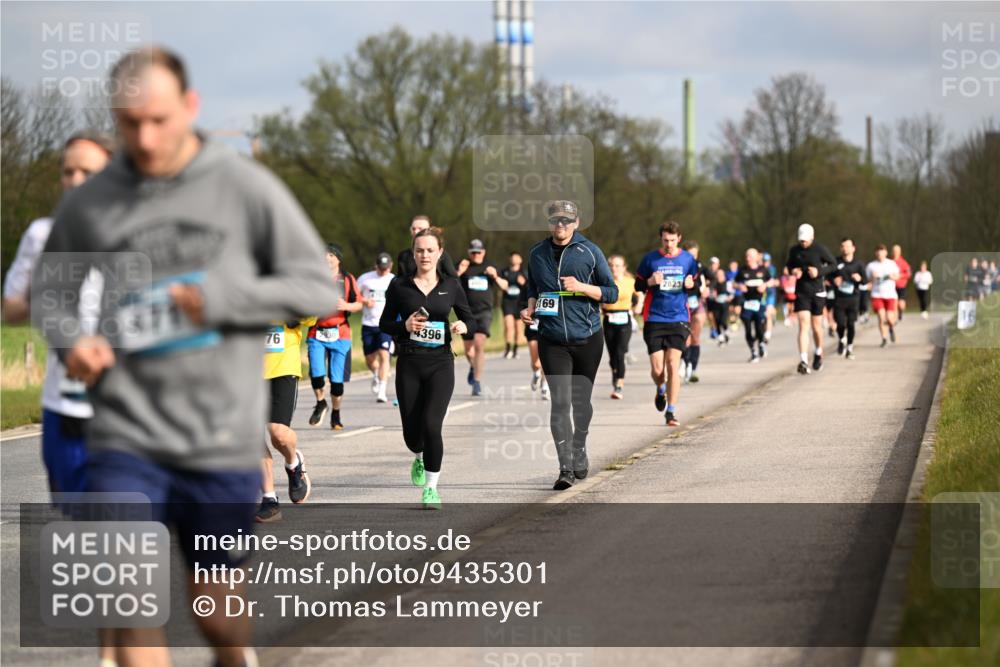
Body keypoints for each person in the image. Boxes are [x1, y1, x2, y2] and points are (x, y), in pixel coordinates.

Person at [30, 46, 338, 667]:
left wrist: (221, 296)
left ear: (189, 108)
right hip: (125, 431)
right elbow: (53, 291)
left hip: (217, 434)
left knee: (216, 612)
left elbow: (316, 288)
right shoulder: (93, 201)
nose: (144, 137)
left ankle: (235, 655)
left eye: (159, 120)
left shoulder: (243, 187)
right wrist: (72, 339)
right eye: (130, 123)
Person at [2, 130, 115, 667]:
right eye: (67, 172)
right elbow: (11, 309)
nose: (74, 181)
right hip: (61, 409)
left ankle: (116, 653)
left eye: (87, 173)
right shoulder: (42, 233)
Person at [521, 201, 617, 490]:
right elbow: (533, 289)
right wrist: (529, 309)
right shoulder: (536, 253)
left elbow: (611, 292)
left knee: (580, 402)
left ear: (576, 223)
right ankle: (565, 468)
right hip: (551, 339)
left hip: (587, 337)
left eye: (566, 220)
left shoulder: (590, 251)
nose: (560, 225)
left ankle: (580, 445)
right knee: (560, 402)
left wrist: (582, 287)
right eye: (555, 220)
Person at [379, 227, 474, 509]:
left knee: (433, 425)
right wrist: (404, 326)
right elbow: (384, 323)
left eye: (430, 250)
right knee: (412, 433)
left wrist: (463, 325)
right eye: (420, 250)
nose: (425, 255)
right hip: (409, 362)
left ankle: (431, 489)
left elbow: (471, 319)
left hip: (440, 363)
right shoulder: (399, 286)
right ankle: (418, 456)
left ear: (440, 253)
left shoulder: (452, 285)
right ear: (413, 253)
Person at [634, 221, 699, 427]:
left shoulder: (688, 259)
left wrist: (691, 285)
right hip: (654, 318)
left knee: (673, 364)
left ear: (679, 238)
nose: (669, 244)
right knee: (657, 370)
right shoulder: (650, 259)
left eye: (672, 240)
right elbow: (638, 284)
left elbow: (695, 285)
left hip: (678, 317)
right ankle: (660, 388)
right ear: (660, 239)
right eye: (665, 240)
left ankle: (671, 412)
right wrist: (650, 282)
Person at [256, 315, 315, 522]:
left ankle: (293, 462)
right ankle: (269, 500)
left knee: (278, 433)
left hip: (282, 366)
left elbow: (311, 314)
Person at [306, 244, 362, 430]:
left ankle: (336, 414)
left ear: (338, 258)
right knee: (316, 375)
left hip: (340, 333)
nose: (327, 258)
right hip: (317, 332)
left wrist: (346, 306)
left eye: (330, 255)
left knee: (336, 382)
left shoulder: (347, 279)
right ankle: (321, 402)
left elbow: (359, 304)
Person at [457, 239, 507, 396]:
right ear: (469, 253)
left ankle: (477, 382)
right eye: (473, 252)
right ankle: (473, 366)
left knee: (479, 345)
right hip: (466, 313)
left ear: (483, 252)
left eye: (478, 252)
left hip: (484, 312)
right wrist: (459, 272)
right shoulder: (463, 266)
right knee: (468, 350)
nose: (476, 255)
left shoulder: (489, 267)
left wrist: (495, 276)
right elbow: (448, 283)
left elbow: (505, 286)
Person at [786, 223, 836, 374]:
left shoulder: (820, 249)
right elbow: (789, 266)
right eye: (801, 240)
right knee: (803, 325)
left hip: (818, 291)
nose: (803, 243)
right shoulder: (794, 251)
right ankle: (803, 360)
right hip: (801, 292)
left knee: (816, 326)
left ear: (812, 237)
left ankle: (819, 352)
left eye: (806, 240)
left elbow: (834, 265)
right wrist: (794, 271)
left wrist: (819, 271)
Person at [357, 252, 396, 403]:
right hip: (368, 323)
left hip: (385, 323)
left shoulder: (394, 279)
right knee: (370, 359)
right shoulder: (365, 279)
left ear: (391, 266)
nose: (383, 271)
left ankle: (382, 391)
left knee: (384, 355)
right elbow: (354, 295)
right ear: (376, 266)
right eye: (380, 268)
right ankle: (376, 375)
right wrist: (365, 301)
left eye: (386, 268)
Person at [602, 254, 639, 398]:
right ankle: (615, 374)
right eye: (611, 265)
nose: (614, 268)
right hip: (609, 319)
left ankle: (619, 385)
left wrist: (639, 305)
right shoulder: (605, 281)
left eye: (617, 265)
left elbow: (640, 293)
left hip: (625, 318)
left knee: (620, 352)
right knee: (612, 356)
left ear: (624, 268)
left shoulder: (630, 282)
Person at [734, 248, 771, 362]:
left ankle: (761, 344)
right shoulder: (742, 270)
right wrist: (739, 286)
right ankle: (753, 352)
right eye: (746, 256)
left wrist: (765, 285)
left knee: (759, 328)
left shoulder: (763, 270)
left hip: (759, 303)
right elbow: (734, 283)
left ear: (756, 257)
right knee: (748, 329)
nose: (747, 258)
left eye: (750, 256)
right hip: (747, 304)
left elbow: (773, 281)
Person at [831, 238, 866, 359]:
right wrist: (833, 280)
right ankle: (842, 339)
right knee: (840, 324)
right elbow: (828, 276)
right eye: (843, 246)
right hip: (839, 298)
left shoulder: (859, 264)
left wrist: (859, 278)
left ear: (853, 248)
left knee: (851, 324)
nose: (845, 248)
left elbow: (865, 281)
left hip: (853, 298)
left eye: (847, 246)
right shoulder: (835, 262)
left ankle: (850, 348)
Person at [396, 214, 458, 279]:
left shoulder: (441, 255)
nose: (415, 231)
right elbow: (400, 281)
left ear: (429, 229)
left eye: (420, 228)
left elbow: (454, 280)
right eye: (413, 229)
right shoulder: (403, 256)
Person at [518, 279, 550, 400]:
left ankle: (545, 386)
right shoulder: (529, 285)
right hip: (533, 326)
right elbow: (520, 303)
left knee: (547, 360)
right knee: (536, 362)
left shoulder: (551, 283)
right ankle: (536, 373)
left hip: (548, 327)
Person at [681, 241, 708, 381]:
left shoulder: (700, 266)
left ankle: (693, 369)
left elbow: (713, 277)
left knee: (695, 337)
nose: (693, 257)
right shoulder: (678, 265)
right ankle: (686, 364)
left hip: (696, 303)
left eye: (695, 255)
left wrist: (707, 288)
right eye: (690, 255)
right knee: (685, 339)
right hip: (682, 304)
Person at [866, 244, 901, 347]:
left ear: (886, 252)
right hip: (877, 294)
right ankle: (884, 339)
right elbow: (868, 281)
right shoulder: (871, 266)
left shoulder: (891, 264)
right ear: (875, 253)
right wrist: (872, 278)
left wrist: (891, 276)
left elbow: (898, 276)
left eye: (882, 251)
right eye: (878, 251)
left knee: (890, 319)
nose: (880, 253)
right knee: (881, 317)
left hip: (890, 294)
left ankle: (891, 328)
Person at [500, 252, 528, 359]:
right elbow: (499, 284)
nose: (514, 258)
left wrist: (523, 283)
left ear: (520, 260)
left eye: (516, 257)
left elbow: (529, 286)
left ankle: (515, 349)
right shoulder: (504, 272)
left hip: (519, 303)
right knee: (508, 326)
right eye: (512, 257)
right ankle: (508, 349)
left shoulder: (523, 272)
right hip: (507, 302)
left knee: (518, 328)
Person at [709, 267, 732, 345]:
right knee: (717, 321)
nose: (719, 275)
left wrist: (729, 297)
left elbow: (732, 293)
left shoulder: (727, 283)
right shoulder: (714, 283)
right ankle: (721, 338)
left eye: (721, 274)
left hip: (725, 304)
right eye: (718, 274)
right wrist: (713, 295)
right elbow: (710, 293)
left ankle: (726, 331)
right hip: (716, 304)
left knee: (723, 320)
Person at [762, 252, 778, 345]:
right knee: (763, 316)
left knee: (767, 314)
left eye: (767, 261)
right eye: (764, 261)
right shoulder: (760, 269)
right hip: (761, 295)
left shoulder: (772, 269)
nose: (765, 262)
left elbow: (777, 281)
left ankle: (767, 335)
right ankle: (765, 331)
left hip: (770, 294)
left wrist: (773, 283)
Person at [892, 244, 912, 321]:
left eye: (897, 251)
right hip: (891, 286)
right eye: (894, 251)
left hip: (901, 286)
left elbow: (909, 274)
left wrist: (900, 276)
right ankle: (895, 317)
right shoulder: (889, 262)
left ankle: (901, 312)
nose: (895, 252)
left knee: (901, 304)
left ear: (900, 252)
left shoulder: (903, 262)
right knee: (894, 303)